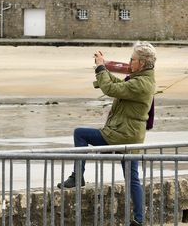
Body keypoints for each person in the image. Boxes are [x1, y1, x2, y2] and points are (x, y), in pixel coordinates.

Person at [58, 41, 156, 226]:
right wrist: (103, 69)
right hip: (133, 136)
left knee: (80, 134)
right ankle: (139, 220)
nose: (129, 62)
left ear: (142, 63)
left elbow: (112, 89)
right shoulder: (142, 79)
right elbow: (119, 85)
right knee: (133, 177)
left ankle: (78, 176)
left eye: (132, 59)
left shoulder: (140, 83)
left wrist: (101, 69)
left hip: (121, 134)